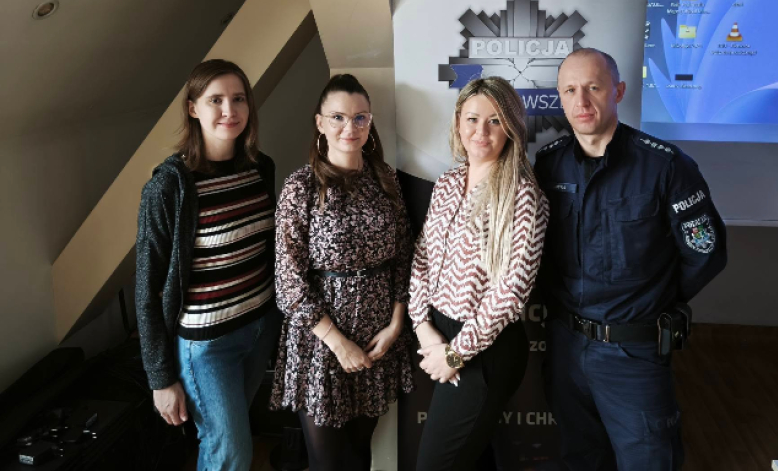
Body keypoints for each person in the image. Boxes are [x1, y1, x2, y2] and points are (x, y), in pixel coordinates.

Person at [535, 48, 728, 471]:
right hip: (566, 348)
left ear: (618, 91)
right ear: (560, 98)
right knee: (581, 459)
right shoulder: (548, 165)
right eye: (570, 90)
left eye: (594, 87)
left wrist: (652, 301)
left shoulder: (664, 165)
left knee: (648, 461)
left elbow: (706, 251)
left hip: (631, 352)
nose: (582, 101)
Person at [135, 59, 282, 470]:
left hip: (259, 327)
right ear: (193, 108)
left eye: (238, 99)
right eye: (215, 100)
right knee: (230, 453)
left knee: (227, 444)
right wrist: (161, 379)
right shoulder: (170, 186)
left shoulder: (260, 168)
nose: (229, 110)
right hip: (207, 346)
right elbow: (146, 289)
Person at [269, 74, 415, 471]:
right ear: (320, 123)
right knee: (328, 463)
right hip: (321, 344)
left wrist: (396, 324)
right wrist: (338, 344)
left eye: (359, 118)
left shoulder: (385, 179)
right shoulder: (301, 187)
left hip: (377, 340)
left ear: (370, 122)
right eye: (338, 117)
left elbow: (404, 255)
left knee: (358, 456)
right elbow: (289, 282)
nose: (349, 127)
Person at [409, 76, 549, 471]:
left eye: (494, 120)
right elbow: (422, 257)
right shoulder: (448, 182)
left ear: (512, 127)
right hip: (438, 335)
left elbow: (511, 292)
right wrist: (422, 326)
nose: (481, 132)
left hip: (485, 351)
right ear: (458, 122)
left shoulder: (524, 195)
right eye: (472, 119)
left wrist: (455, 354)